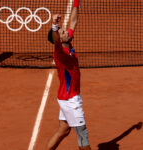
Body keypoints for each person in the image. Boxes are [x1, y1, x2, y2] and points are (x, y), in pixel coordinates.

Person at [47, 0, 91, 149]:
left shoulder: (68, 43)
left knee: (63, 130)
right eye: (63, 32)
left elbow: (73, 22)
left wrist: (76, 3)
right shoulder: (60, 53)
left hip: (66, 97)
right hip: (71, 100)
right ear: (59, 39)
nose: (67, 31)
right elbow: (56, 39)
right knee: (82, 135)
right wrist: (54, 25)